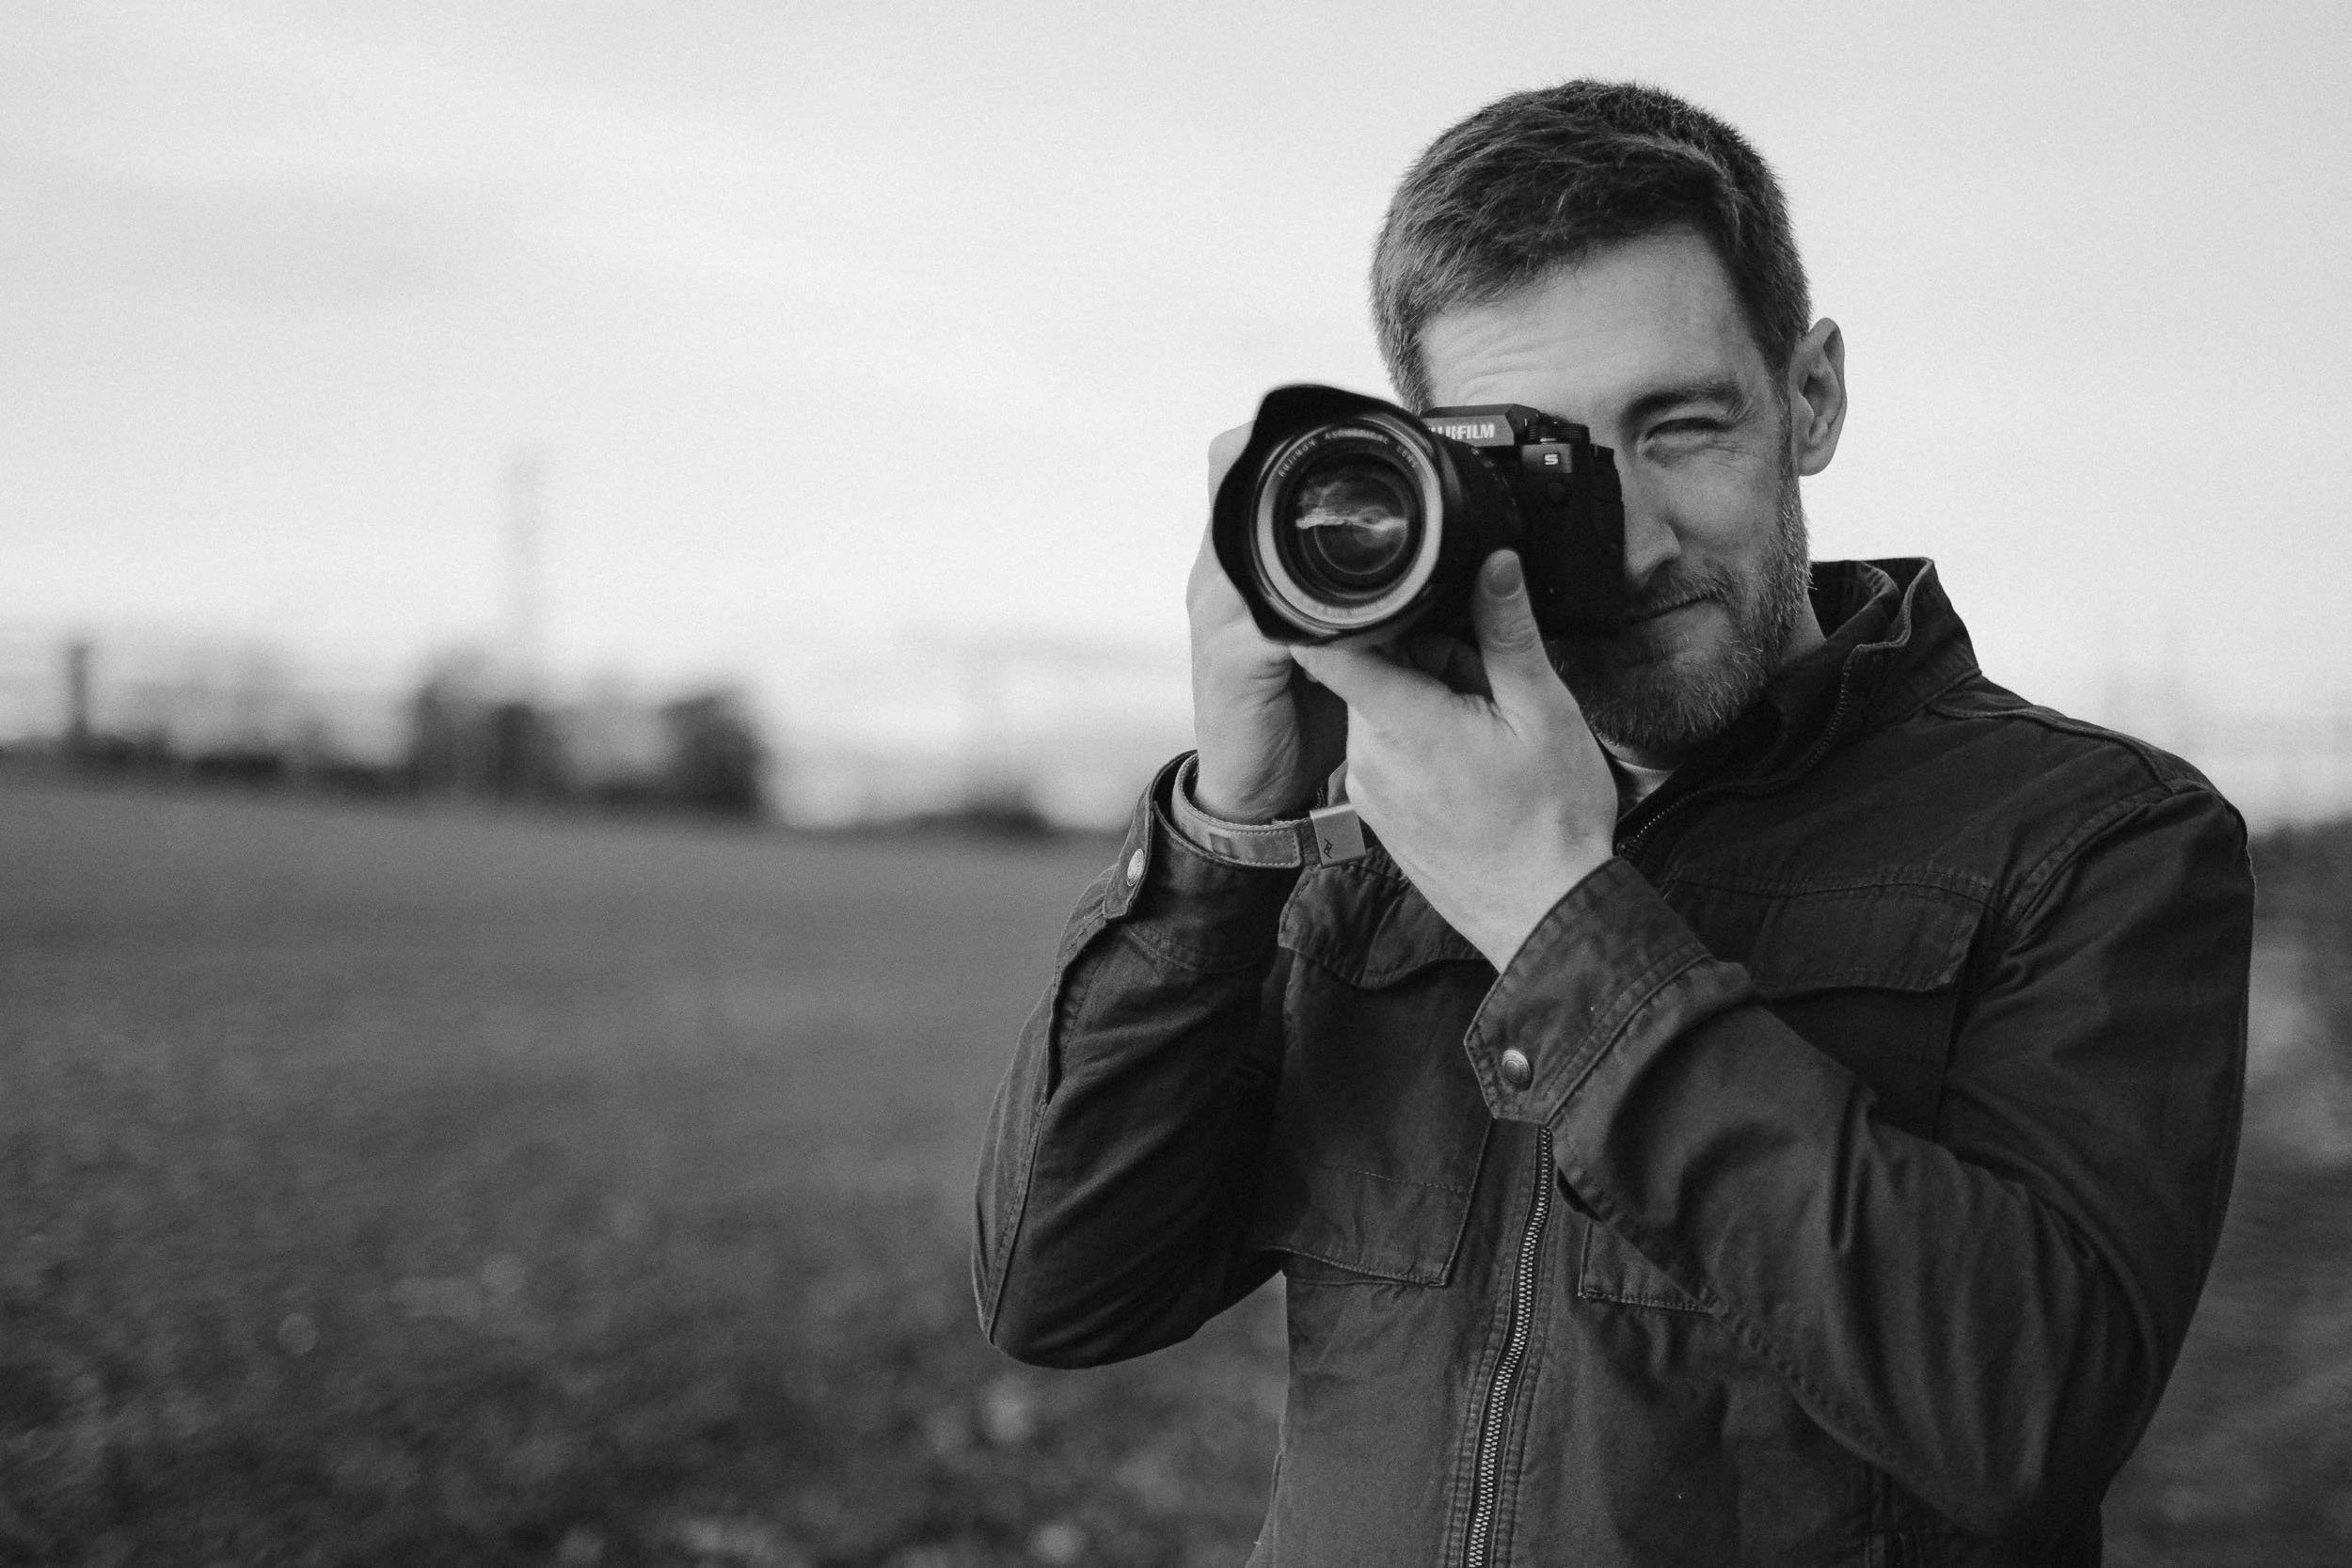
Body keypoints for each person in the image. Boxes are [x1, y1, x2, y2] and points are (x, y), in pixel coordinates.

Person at [973, 79, 2252, 1566]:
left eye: (1682, 425)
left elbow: (2029, 1414)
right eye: (1537, 461)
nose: (1629, 541)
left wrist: (1556, 919)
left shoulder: (2096, 837)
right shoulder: (1370, 836)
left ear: (1813, 395)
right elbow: (1064, 1290)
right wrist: (1231, 821)